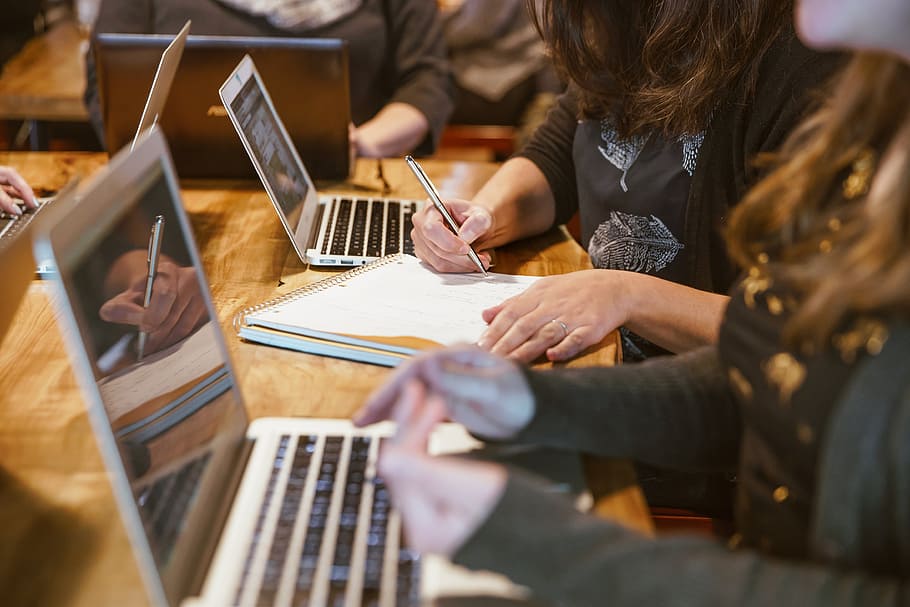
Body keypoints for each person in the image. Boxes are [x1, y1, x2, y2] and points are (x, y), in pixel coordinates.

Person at [354, 0, 910, 601]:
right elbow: (777, 375)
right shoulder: (879, 112)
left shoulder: (811, 80)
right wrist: (530, 403)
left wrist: (543, 540)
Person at [413, 0, 844, 364]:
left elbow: (798, 333)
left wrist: (626, 296)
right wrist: (484, 216)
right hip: (606, 367)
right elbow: (557, 155)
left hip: (706, 425)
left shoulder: (801, 65)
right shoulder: (628, 18)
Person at [84, 0, 453, 158]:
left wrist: (363, 143)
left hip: (345, 183)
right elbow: (108, 78)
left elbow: (428, 79)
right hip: (181, 189)